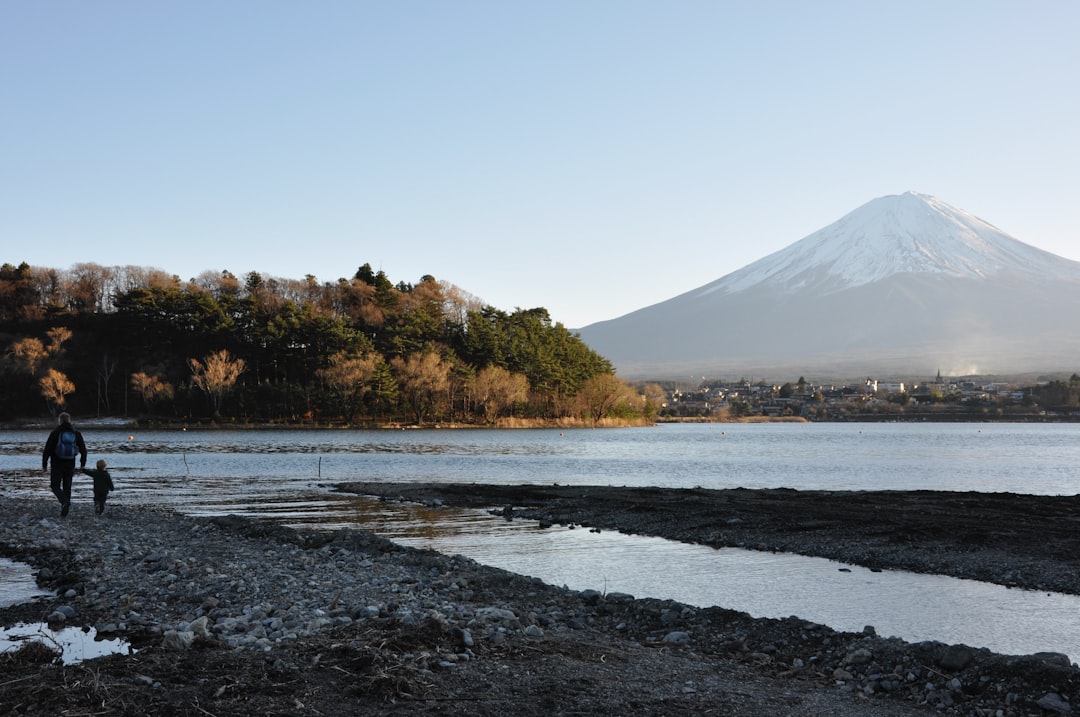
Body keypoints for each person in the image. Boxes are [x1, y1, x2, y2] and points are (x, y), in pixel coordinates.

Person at [42, 412, 87, 516]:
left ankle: (64, 502)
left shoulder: (55, 432)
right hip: (70, 463)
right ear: (69, 420)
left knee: (54, 485)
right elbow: (83, 450)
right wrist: (82, 464)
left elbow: (47, 450)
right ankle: (65, 510)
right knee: (67, 486)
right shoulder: (76, 433)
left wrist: (44, 464)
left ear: (60, 421)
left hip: (56, 464)